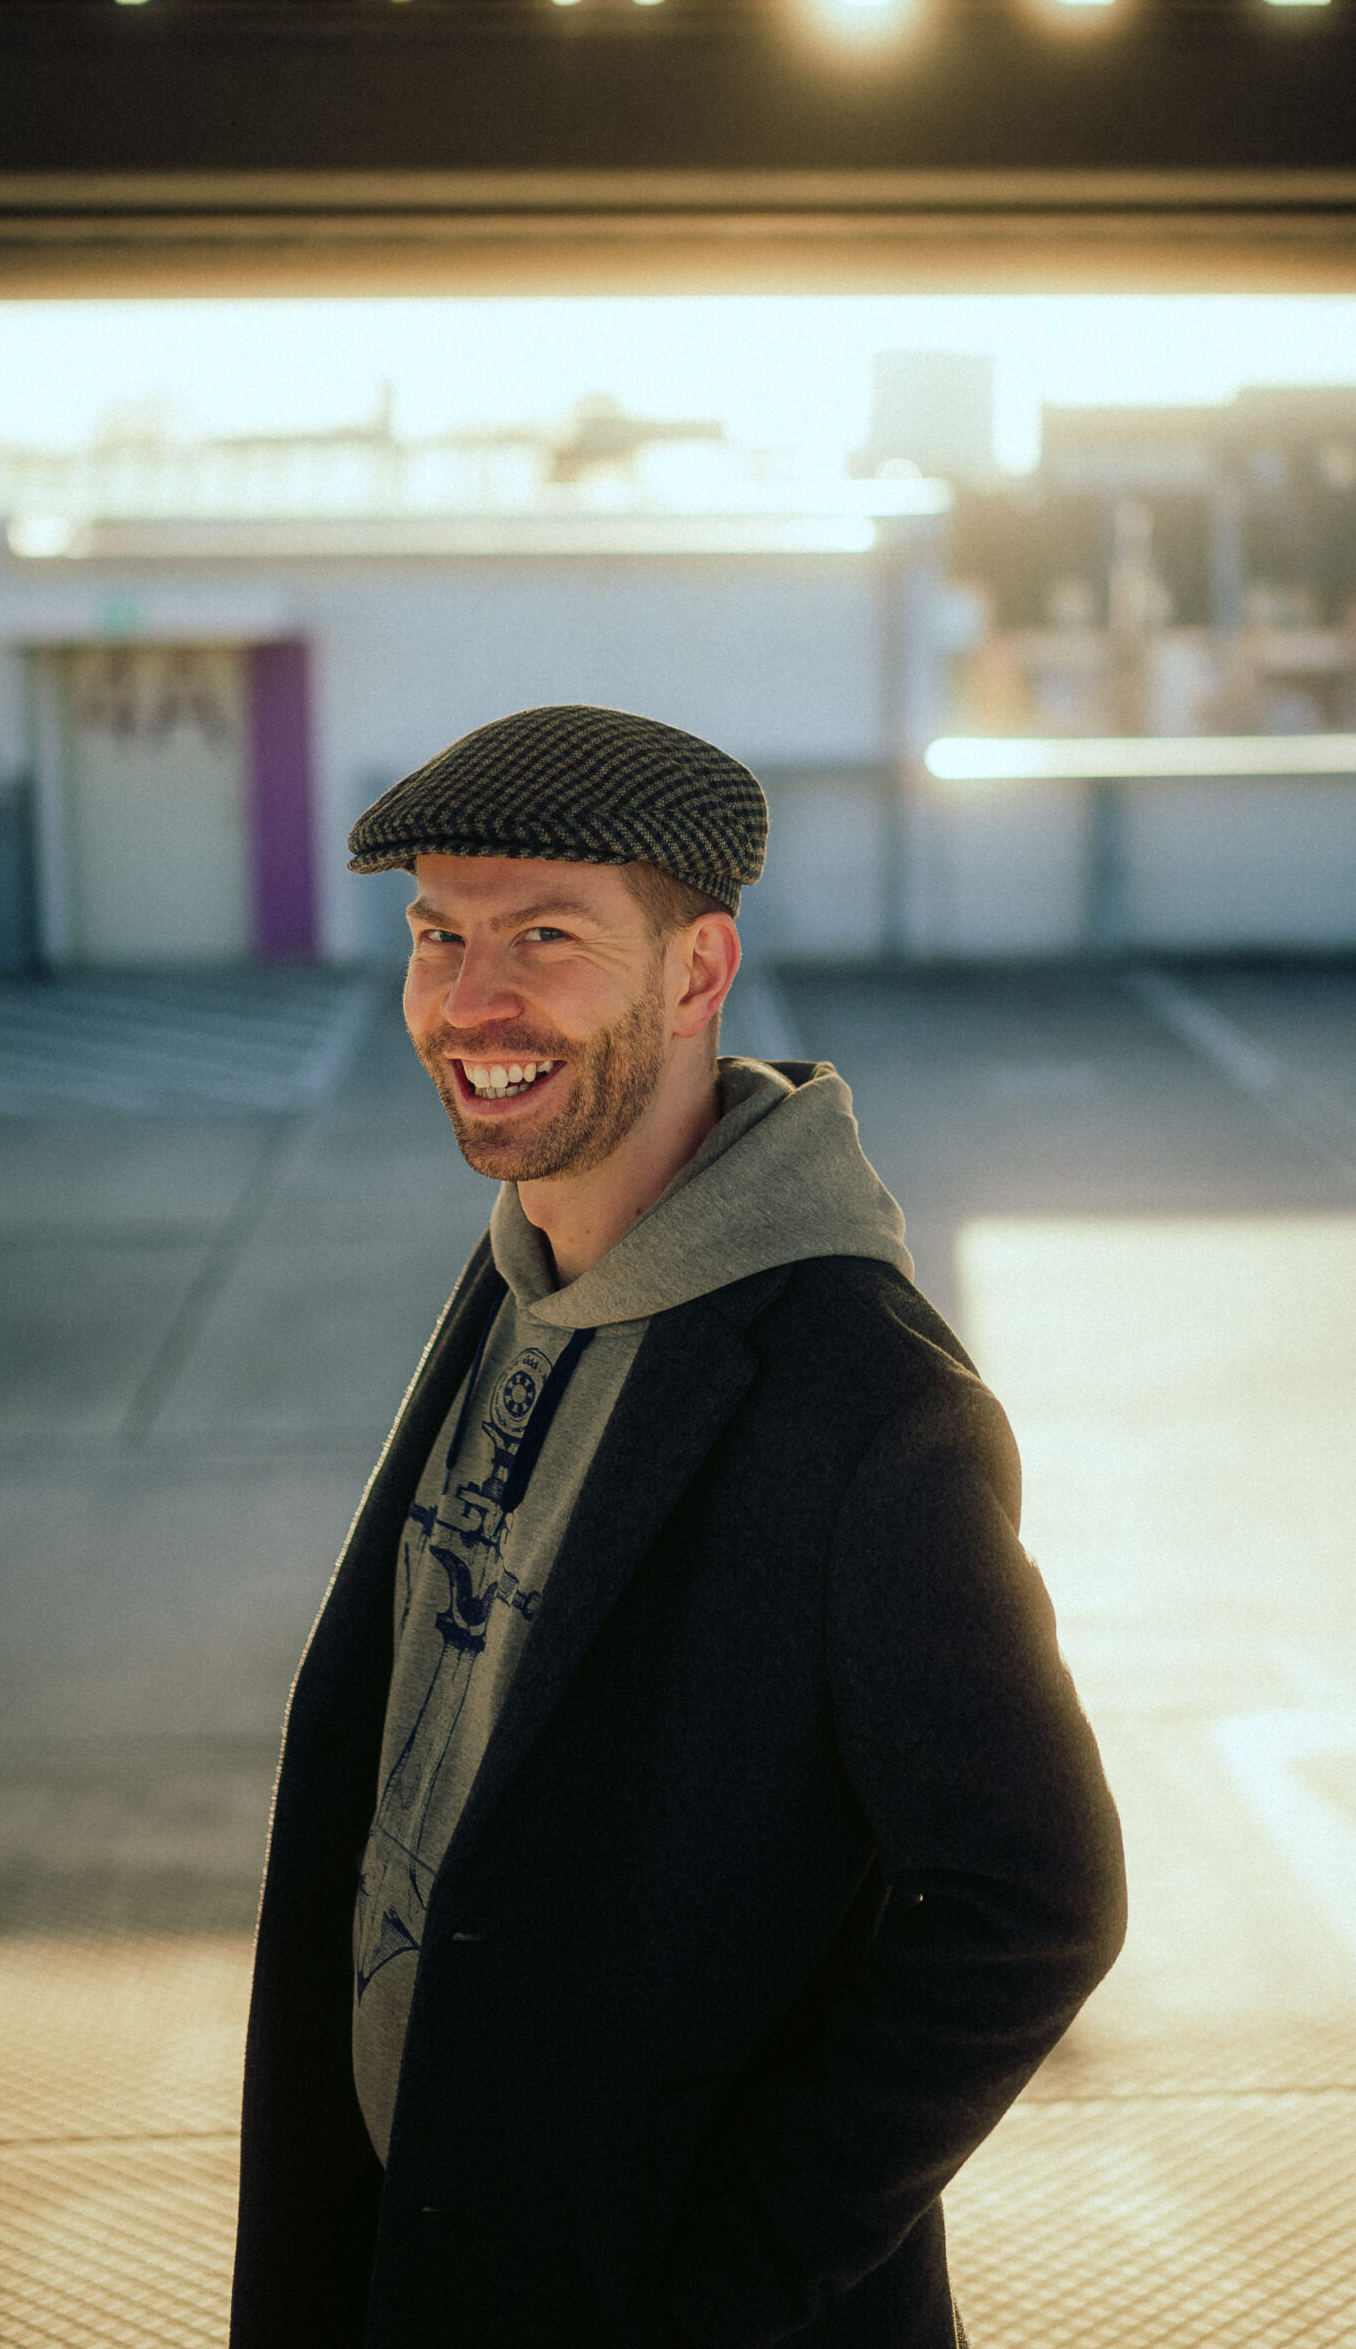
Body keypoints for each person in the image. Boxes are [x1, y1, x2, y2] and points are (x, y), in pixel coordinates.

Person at [231, 704, 1125, 2349]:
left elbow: (1031, 1901)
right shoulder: (523, 1274)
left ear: (699, 973)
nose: (469, 1001)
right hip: (406, 2253)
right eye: (438, 938)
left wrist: (716, 2286)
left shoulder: (860, 1396)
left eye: (545, 940)